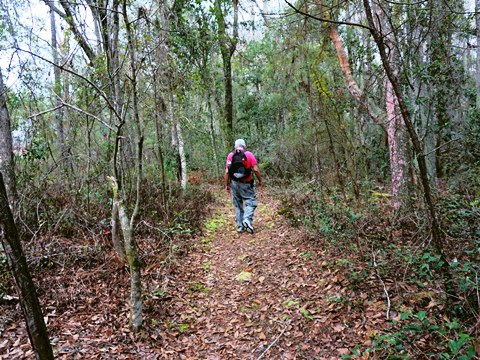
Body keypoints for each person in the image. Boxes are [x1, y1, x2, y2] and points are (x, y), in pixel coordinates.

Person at [225, 139, 263, 234]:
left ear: (235, 146)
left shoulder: (230, 155)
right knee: (251, 202)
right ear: (244, 146)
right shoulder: (249, 154)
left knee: (238, 205)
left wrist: (227, 184)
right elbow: (255, 169)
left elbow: (227, 172)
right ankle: (247, 219)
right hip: (246, 183)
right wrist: (260, 180)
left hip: (234, 183)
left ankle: (240, 227)